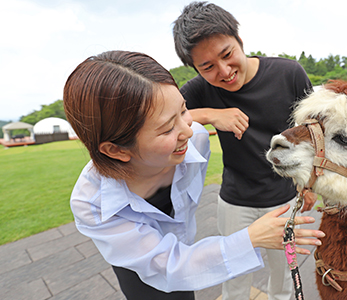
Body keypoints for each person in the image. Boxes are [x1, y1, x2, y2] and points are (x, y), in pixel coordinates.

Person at [63, 50, 324, 300]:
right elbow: (168, 265)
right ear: (116, 149)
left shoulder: (195, 143)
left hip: (187, 250)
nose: (187, 131)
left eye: (184, 111)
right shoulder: (95, 204)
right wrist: (251, 238)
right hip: (142, 260)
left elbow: (187, 265)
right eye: (167, 129)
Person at [173, 2, 318, 300]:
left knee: (285, 278)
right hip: (235, 202)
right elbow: (165, 116)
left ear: (239, 40)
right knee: (234, 281)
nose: (224, 71)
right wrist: (213, 114)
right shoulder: (200, 89)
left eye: (227, 54)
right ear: (196, 68)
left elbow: (314, 131)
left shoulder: (289, 73)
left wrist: (311, 183)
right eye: (207, 67)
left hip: (285, 198)